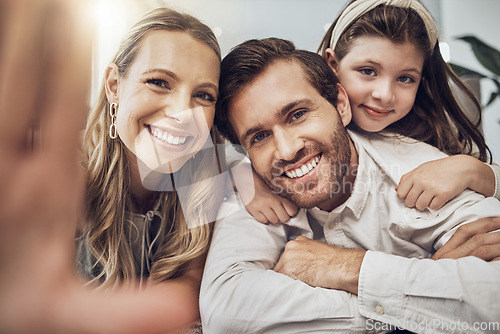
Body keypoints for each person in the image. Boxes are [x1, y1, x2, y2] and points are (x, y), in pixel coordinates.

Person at [200, 37, 500, 333]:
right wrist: (424, 285)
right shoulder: (255, 187)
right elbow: (226, 313)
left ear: (341, 105)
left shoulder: (425, 173)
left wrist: (343, 267)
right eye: (259, 137)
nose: (287, 151)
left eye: (298, 115)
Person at [0, 1, 223, 333]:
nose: (182, 112)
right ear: (114, 85)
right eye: (159, 82)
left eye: (203, 96)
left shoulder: (207, 183)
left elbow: (190, 284)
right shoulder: (67, 178)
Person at [245, 0, 499, 225]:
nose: (385, 94)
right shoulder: (296, 128)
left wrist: (473, 171)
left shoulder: (437, 136)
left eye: (405, 78)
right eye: (368, 71)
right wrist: (244, 179)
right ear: (332, 64)